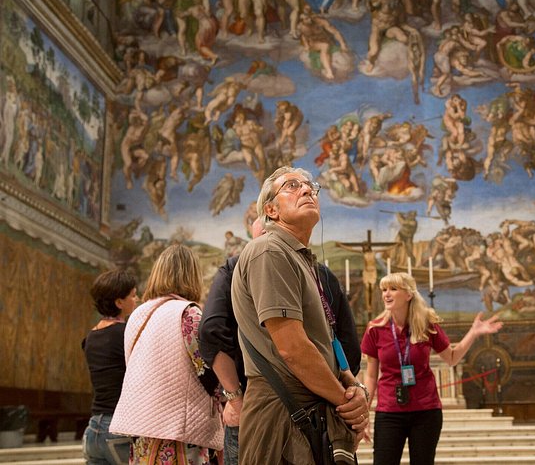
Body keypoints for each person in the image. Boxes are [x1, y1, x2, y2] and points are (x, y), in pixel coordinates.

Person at [231, 166, 369, 463]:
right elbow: (292, 348)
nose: (307, 190)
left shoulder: (298, 257)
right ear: (271, 209)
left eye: (310, 186)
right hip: (283, 416)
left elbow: (322, 341)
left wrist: (354, 387)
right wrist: (346, 403)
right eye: (292, 186)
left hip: (309, 410)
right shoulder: (269, 250)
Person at [200, 217, 361, 465]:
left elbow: (212, 332)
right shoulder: (265, 260)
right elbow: (327, 347)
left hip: (286, 408)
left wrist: (351, 401)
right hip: (286, 406)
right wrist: (345, 402)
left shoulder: (314, 271)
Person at [361, 272, 503, 465]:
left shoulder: (426, 324)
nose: (386, 294)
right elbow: (370, 377)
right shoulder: (375, 329)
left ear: (408, 294)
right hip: (389, 411)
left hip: (425, 411)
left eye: (393, 289)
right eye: (384, 289)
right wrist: (364, 414)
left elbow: (452, 358)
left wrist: (474, 333)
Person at [110, 245, 224, 463]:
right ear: (192, 275)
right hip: (179, 429)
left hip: (142, 425)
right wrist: (232, 396)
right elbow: (206, 371)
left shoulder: (137, 315)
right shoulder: (188, 312)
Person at [81, 270, 138, 465]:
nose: (136, 299)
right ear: (119, 302)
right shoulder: (125, 334)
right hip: (118, 427)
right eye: (132, 295)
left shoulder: (89, 338)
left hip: (93, 428)